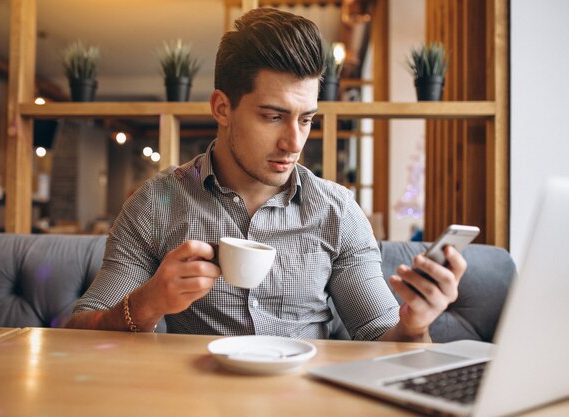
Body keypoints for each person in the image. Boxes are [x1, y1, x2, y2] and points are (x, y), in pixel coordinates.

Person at [66, 8, 466, 342]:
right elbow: (78, 331)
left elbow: (380, 338)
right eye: (273, 116)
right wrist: (146, 303)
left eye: (306, 119)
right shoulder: (156, 203)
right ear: (222, 108)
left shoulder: (337, 211)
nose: (294, 142)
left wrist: (414, 325)